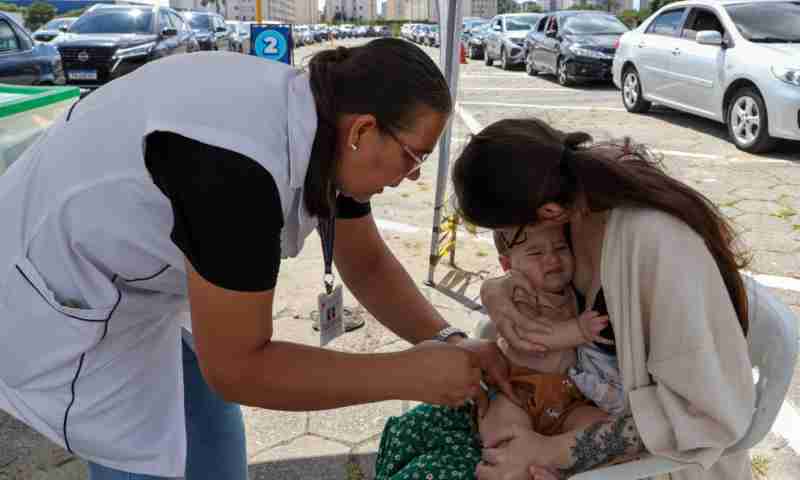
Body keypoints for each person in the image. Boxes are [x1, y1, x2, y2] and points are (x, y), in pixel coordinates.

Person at [0, 39, 513, 480]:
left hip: (146, 287)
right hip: (66, 293)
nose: (413, 177)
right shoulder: (234, 174)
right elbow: (239, 368)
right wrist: (406, 375)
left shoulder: (329, 124)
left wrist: (448, 339)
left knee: (215, 453)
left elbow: (368, 263)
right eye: (414, 157)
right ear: (363, 131)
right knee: (146, 460)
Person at [453, 118, 755, 480]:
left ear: (546, 213)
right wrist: (499, 288)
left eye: (503, 230)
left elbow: (707, 415)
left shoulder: (658, 245)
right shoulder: (572, 197)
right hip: (576, 412)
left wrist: (550, 452)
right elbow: (532, 267)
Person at [373, 224, 620, 480]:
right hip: (516, 389)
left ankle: (548, 465)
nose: (552, 259)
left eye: (560, 248)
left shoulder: (571, 288)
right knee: (505, 435)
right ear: (507, 264)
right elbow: (530, 334)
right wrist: (578, 330)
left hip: (568, 397)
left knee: (599, 426)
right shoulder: (520, 290)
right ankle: (520, 469)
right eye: (536, 253)